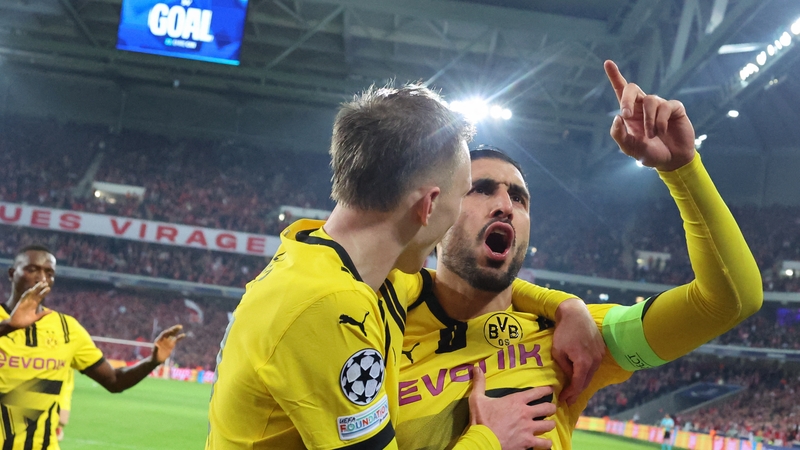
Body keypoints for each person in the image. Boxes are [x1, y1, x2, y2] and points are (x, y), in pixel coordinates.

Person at [206, 84, 604, 450]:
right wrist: (489, 438)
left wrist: (565, 306)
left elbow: (464, 284)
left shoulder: (352, 267)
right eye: (462, 195)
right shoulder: (329, 307)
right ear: (428, 206)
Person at [392, 60, 762, 450]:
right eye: (481, 189)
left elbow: (731, 300)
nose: (505, 205)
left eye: (519, 198)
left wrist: (683, 168)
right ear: (437, 209)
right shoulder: (379, 315)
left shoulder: (575, 338)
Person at [0, 244, 185, 450]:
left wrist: (152, 361)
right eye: (32, 269)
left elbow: (114, 381)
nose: (41, 278)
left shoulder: (68, 329)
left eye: (49, 273)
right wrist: (8, 326)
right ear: (12, 273)